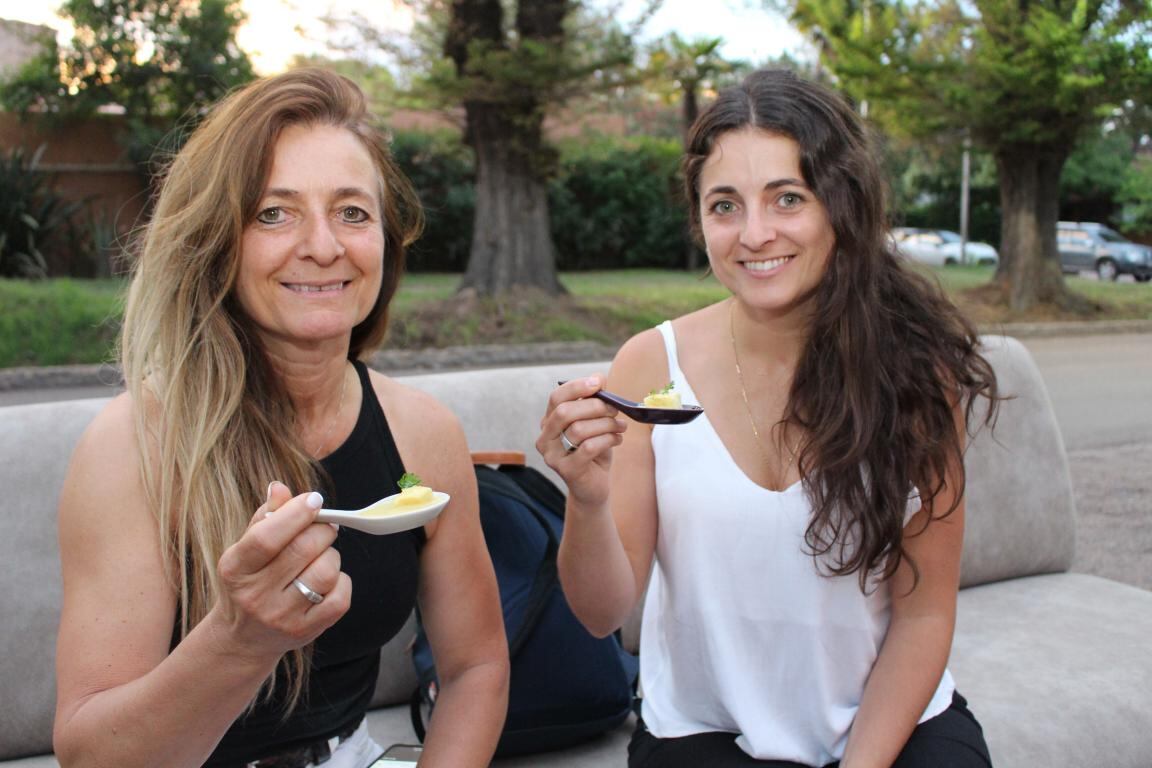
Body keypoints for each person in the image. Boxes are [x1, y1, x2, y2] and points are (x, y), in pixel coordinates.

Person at [537, 69, 999, 768]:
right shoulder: (648, 366)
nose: (755, 234)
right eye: (725, 205)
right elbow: (602, 613)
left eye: (788, 198)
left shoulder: (917, 372)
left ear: (841, 204)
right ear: (698, 219)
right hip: (701, 734)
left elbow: (925, 614)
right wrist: (588, 497)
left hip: (893, 727)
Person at [52, 68, 509, 768]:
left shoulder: (424, 434)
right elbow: (91, 756)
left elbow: (476, 667)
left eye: (352, 212)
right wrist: (240, 639)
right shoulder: (134, 446)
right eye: (275, 212)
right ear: (218, 243)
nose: (324, 246)